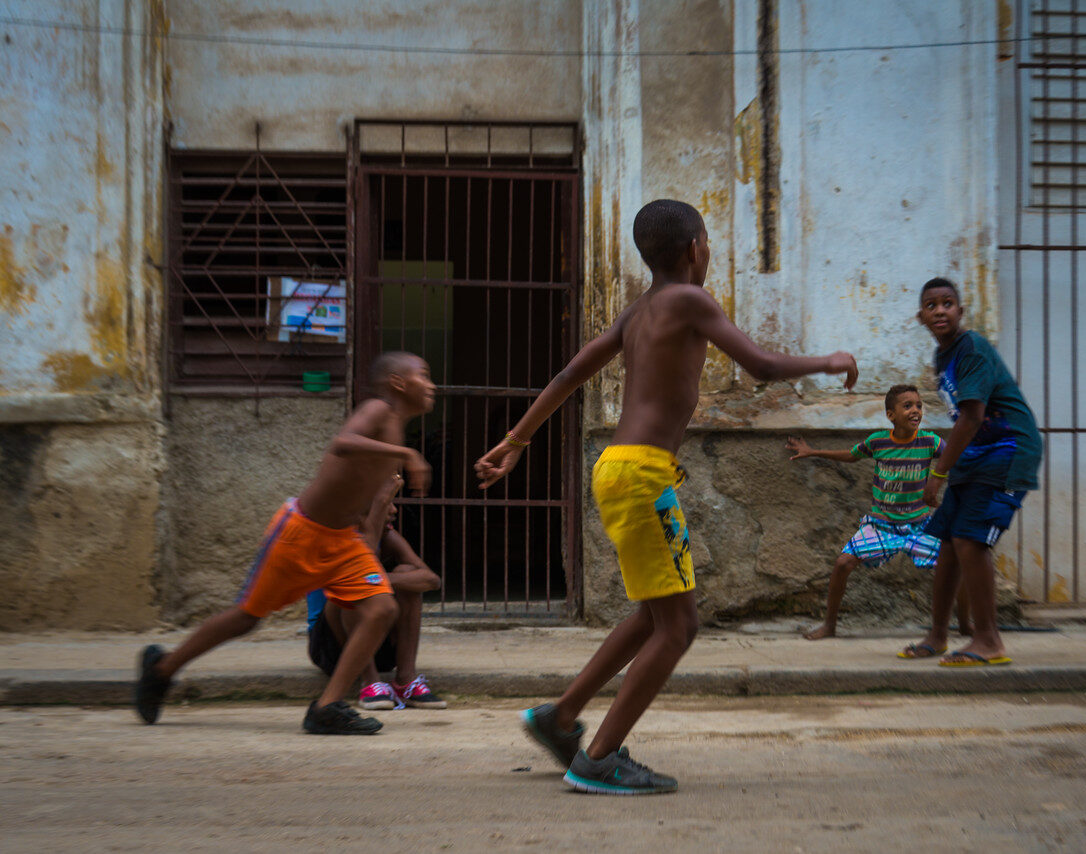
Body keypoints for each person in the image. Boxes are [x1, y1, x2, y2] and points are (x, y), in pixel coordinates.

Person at [473, 199, 858, 795]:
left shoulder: (640, 310)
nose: (708, 253)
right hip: (644, 475)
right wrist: (828, 361)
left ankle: (561, 717)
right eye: (707, 244)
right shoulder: (689, 300)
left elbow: (568, 376)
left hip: (621, 470)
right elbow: (758, 364)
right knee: (679, 628)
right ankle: (597, 758)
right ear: (694, 250)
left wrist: (515, 440)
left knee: (654, 614)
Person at [135, 352, 436, 734]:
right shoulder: (378, 410)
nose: (432, 384)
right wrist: (405, 454)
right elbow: (342, 443)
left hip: (343, 541)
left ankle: (327, 707)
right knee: (247, 617)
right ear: (397, 382)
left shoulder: (397, 428)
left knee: (381, 610)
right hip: (302, 532)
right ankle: (162, 669)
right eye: (423, 375)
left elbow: (352, 484)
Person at [912, 277, 1042, 667]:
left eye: (947, 303)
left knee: (970, 540)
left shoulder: (971, 349)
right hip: (978, 453)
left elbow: (971, 416)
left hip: (1008, 448)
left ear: (961, 311)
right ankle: (937, 636)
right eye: (931, 305)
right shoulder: (943, 356)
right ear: (921, 316)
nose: (940, 311)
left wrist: (938, 473)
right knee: (949, 543)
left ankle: (988, 640)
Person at [786, 384, 970, 644]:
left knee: (957, 566)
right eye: (907, 406)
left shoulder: (930, 441)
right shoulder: (878, 441)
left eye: (918, 405)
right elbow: (852, 455)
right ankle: (829, 625)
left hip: (921, 526)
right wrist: (814, 451)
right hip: (881, 525)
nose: (915, 410)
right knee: (842, 564)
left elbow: (955, 457)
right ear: (890, 415)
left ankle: (965, 625)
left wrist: (944, 483)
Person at [305, 473, 446, 710]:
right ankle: (370, 682)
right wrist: (371, 583)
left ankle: (406, 680)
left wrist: (381, 581)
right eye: (385, 503)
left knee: (406, 574)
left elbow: (431, 580)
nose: (393, 510)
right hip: (332, 648)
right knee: (350, 590)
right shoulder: (332, 534)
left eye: (391, 502)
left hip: (379, 645)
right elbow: (355, 576)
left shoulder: (388, 535)